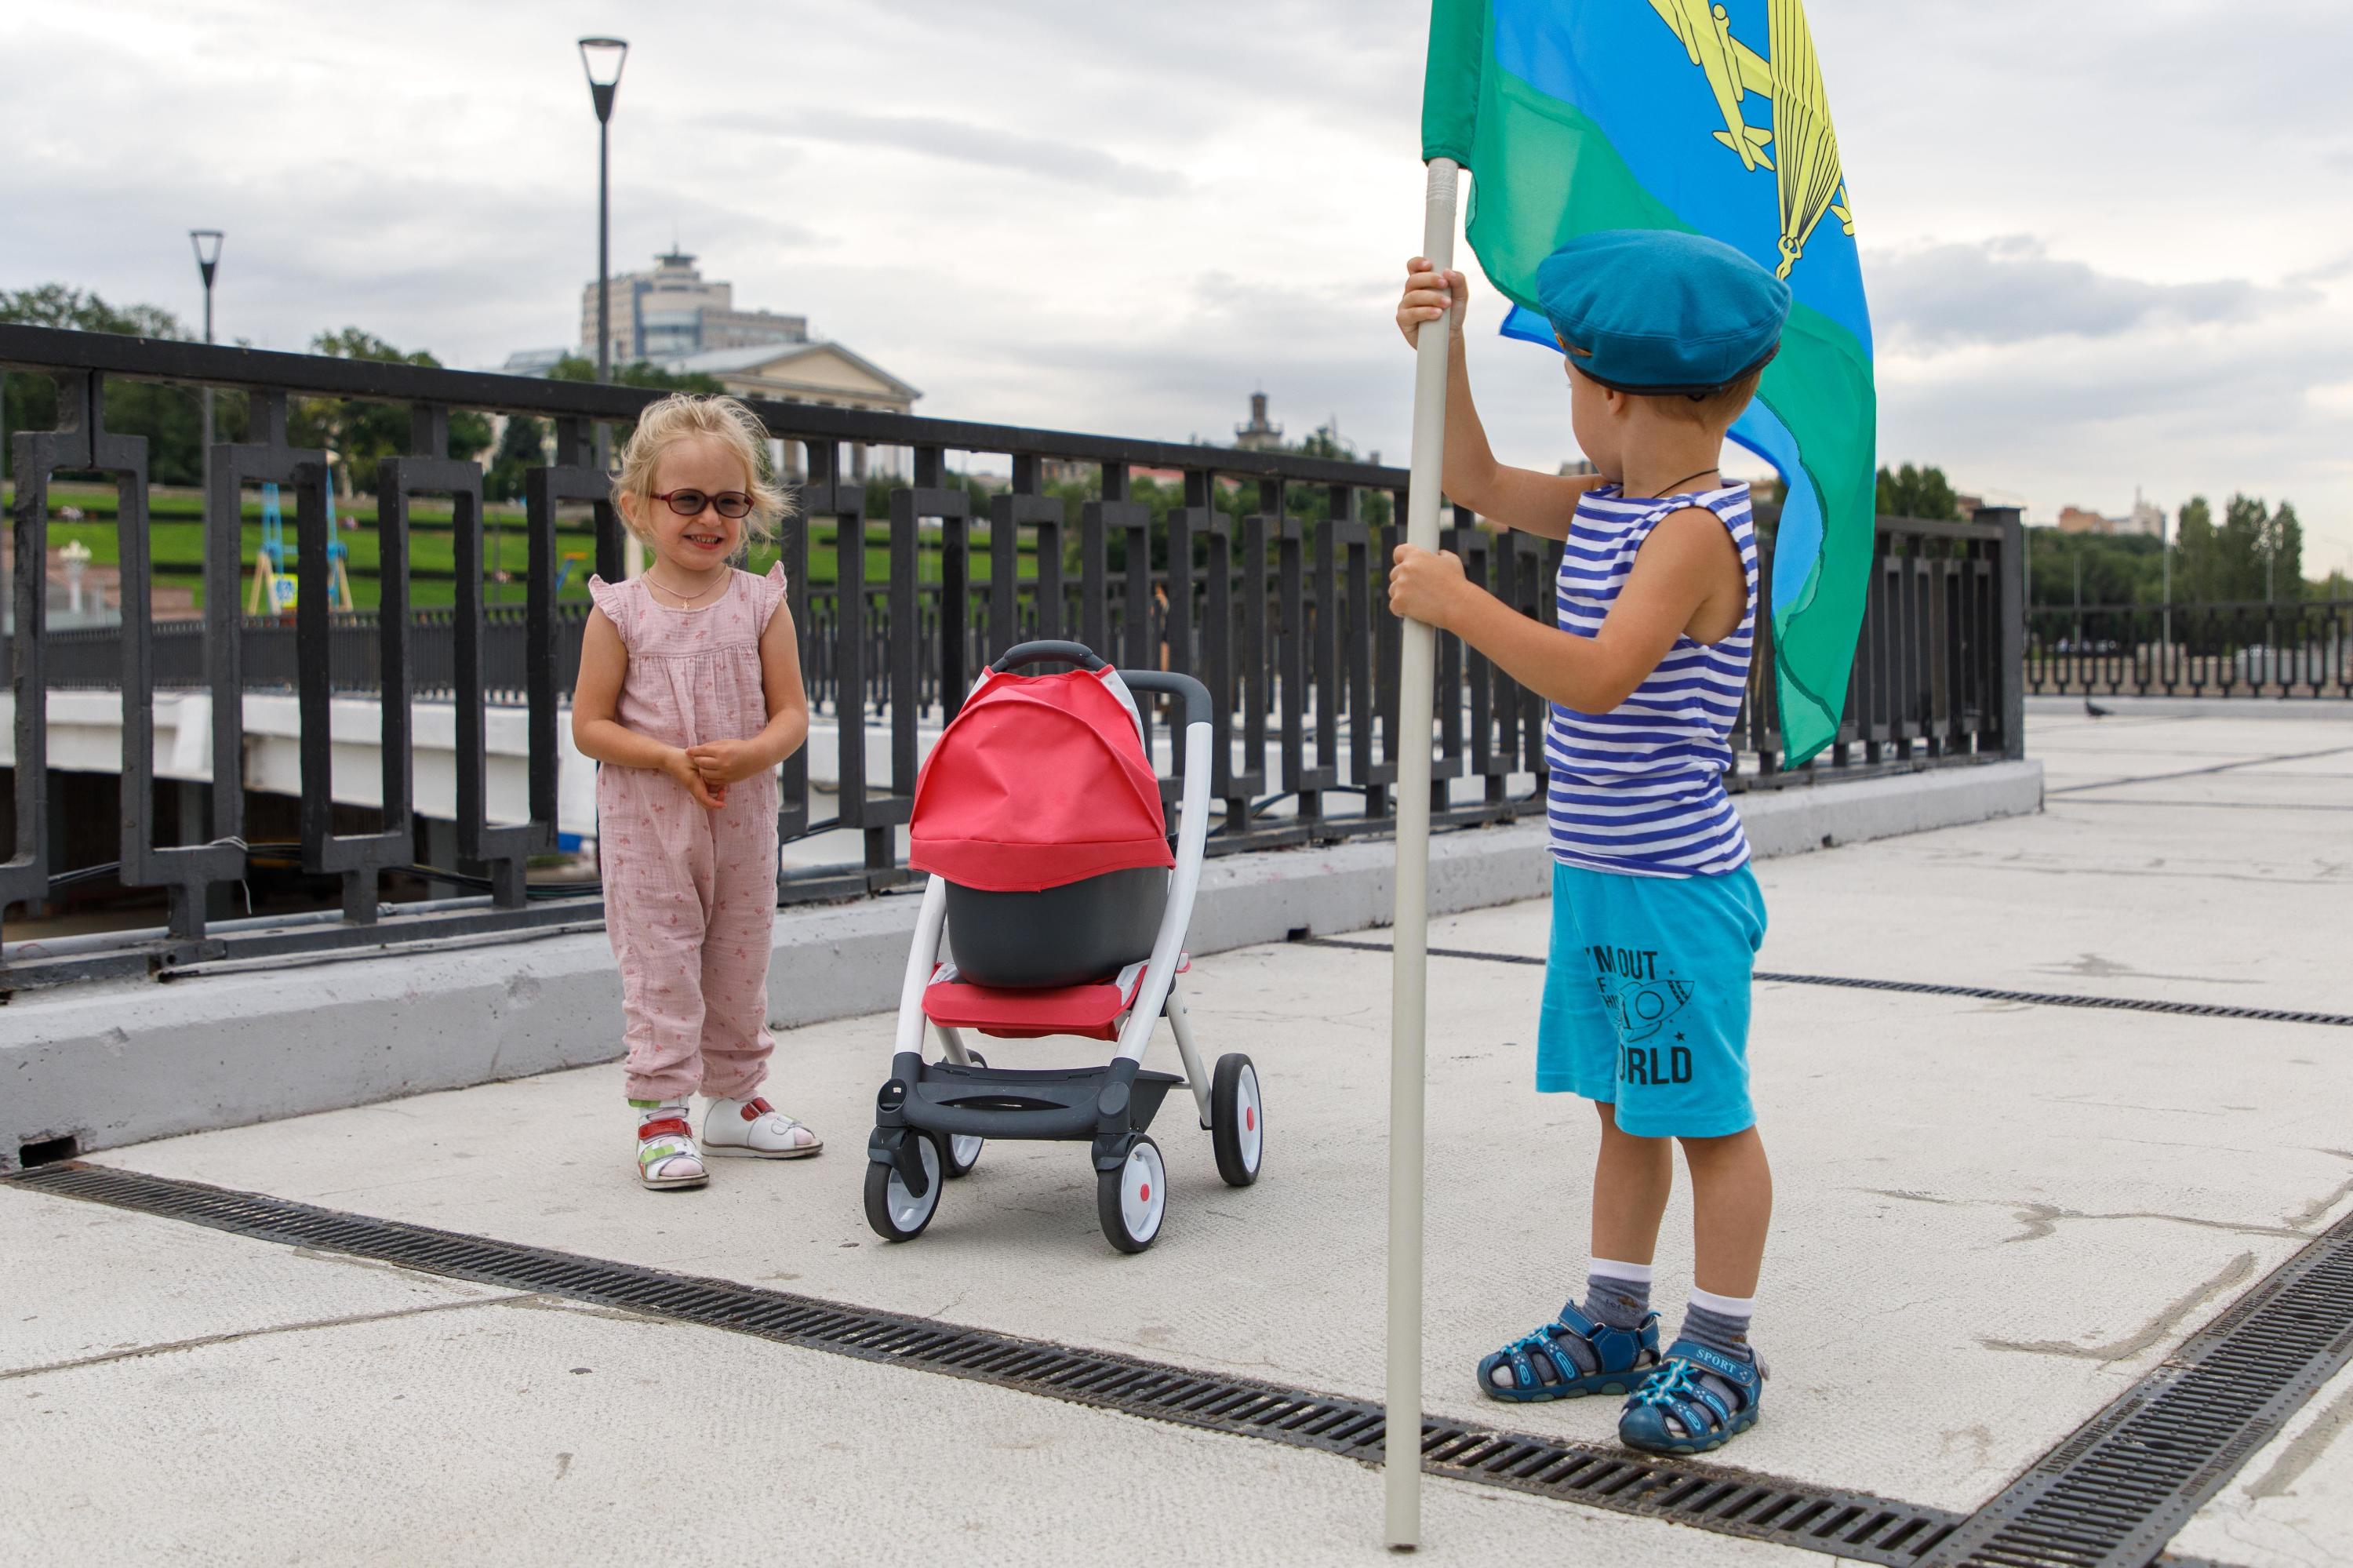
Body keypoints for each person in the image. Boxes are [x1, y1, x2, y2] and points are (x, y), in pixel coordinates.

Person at [1387, 231, 1788, 1455]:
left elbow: (1603, 678)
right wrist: (1439, 341)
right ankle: (1618, 1316)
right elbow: (1476, 479)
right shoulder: (1614, 499)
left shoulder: (1698, 530)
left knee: (1706, 1117)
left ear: (1612, 392)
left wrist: (1463, 605)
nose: (1567, 404)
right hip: (1606, 878)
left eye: (1567, 378)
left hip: (1675, 889)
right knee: (1626, 1106)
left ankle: (1721, 1344)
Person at [573, 395, 821, 1191]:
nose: (708, 517)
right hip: (649, 824)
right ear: (638, 507)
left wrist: (751, 753)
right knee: (661, 963)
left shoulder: (760, 604)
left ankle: (734, 1100)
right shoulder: (619, 614)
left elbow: (792, 715)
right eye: (686, 499)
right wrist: (666, 758)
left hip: (741, 822)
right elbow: (589, 725)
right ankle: (662, 1112)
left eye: (729, 501)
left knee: (738, 960)